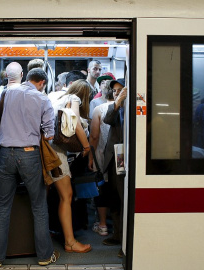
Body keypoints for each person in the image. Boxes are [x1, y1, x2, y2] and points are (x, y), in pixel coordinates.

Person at [0, 67, 59, 267]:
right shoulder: (43, 99)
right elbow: (50, 135)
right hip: (30, 155)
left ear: (25, 77)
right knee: (39, 206)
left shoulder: (5, 94)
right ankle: (45, 256)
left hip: (6, 154)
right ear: (41, 82)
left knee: (1, 207)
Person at [49, 79, 93, 253]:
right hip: (57, 151)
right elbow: (73, 122)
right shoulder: (74, 98)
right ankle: (70, 242)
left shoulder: (56, 96)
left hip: (46, 148)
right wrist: (86, 146)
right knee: (66, 196)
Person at [100, 78, 127, 257]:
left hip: (125, 159)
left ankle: (126, 242)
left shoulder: (133, 109)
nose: (117, 93)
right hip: (114, 159)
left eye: (120, 90)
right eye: (115, 91)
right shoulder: (116, 109)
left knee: (124, 200)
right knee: (114, 200)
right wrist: (117, 102)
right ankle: (117, 235)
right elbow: (107, 119)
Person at [88, 80, 115, 236]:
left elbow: (94, 136)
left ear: (103, 93)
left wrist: (90, 157)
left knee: (102, 189)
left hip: (101, 155)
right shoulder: (123, 108)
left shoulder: (99, 109)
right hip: (119, 156)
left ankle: (103, 224)